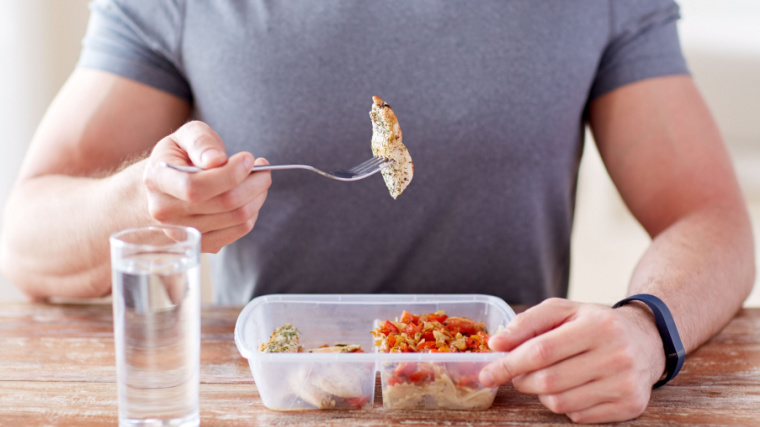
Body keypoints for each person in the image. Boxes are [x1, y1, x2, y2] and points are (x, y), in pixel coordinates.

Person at [0, 0, 754, 423]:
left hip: (499, 403)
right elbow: (26, 238)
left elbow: (712, 219)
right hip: (269, 405)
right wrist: (147, 199)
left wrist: (648, 324)